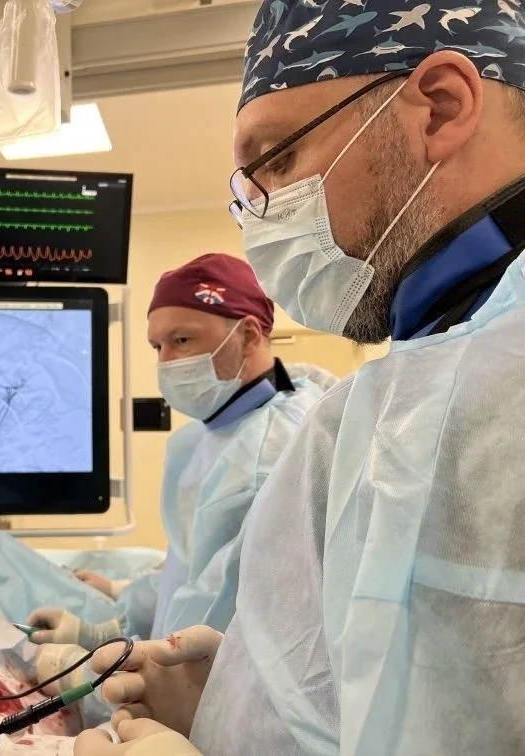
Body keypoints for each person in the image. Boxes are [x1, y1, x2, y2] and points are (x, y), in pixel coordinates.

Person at [76, 1, 525, 754]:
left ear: (441, 107)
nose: (261, 218)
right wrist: (241, 702)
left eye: (278, 160)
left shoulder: (489, 394)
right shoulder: (412, 389)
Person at [27, 254, 335, 653]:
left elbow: (208, 625)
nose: (165, 362)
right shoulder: (215, 434)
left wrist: (88, 669)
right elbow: (188, 572)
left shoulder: (267, 456)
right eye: (157, 345)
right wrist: (106, 630)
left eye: (182, 340)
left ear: (248, 335)